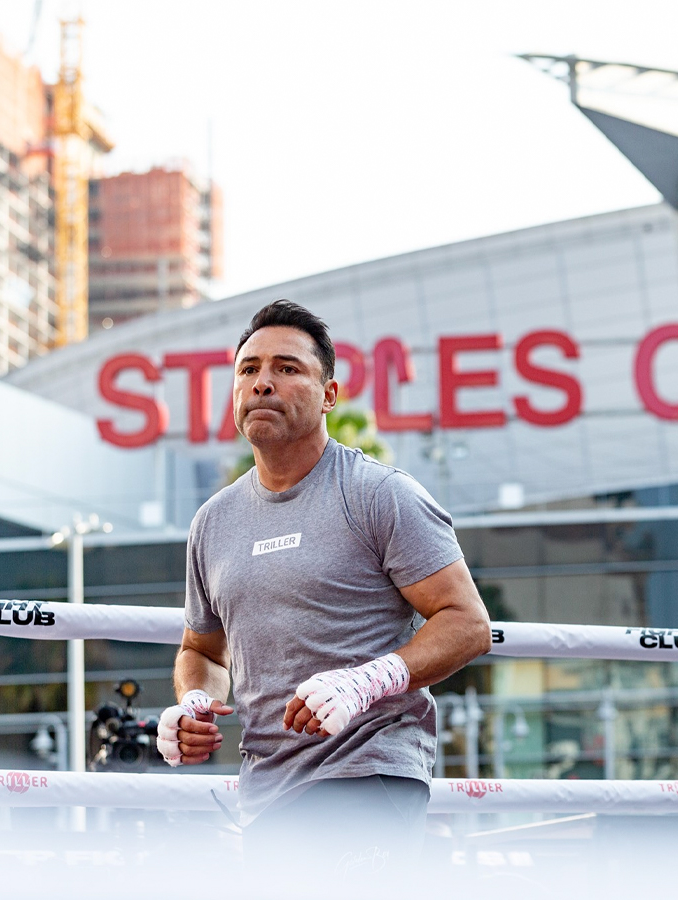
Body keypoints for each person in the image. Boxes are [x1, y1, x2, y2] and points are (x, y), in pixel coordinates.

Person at [155, 299, 492, 877]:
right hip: (265, 793)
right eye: (248, 369)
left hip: (369, 772)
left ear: (329, 394)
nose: (263, 382)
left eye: (287, 368)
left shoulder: (379, 493)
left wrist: (369, 680)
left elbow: (467, 623)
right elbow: (202, 651)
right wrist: (191, 703)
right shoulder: (212, 522)